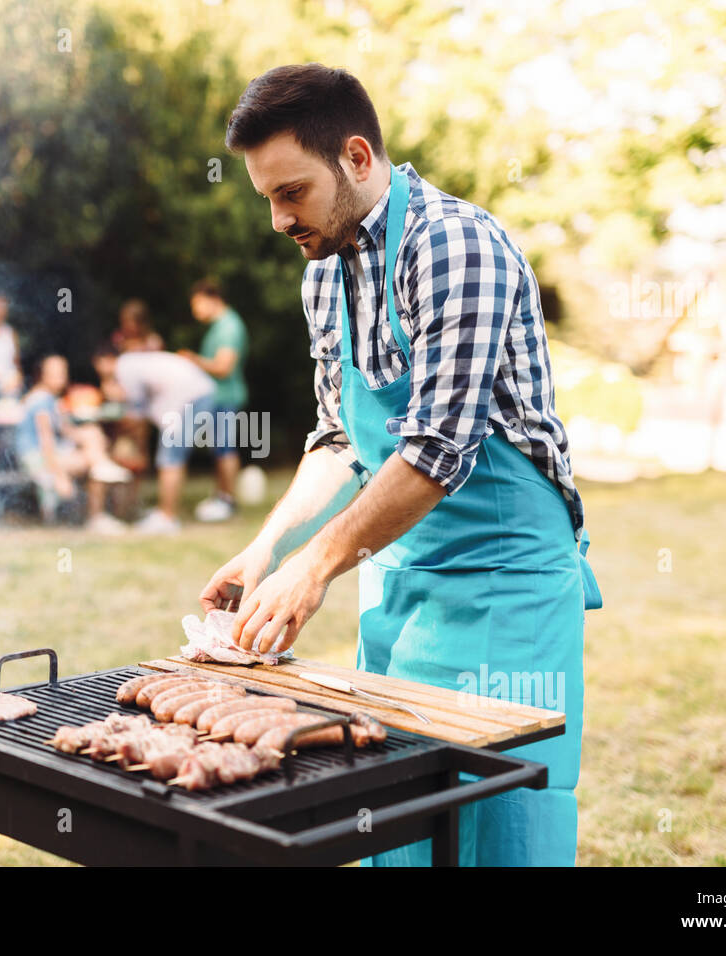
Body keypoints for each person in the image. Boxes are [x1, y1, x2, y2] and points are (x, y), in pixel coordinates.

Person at [199, 64, 604, 867]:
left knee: (498, 813)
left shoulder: (456, 248)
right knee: (394, 812)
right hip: (402, 578)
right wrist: (268, 549)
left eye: (292, 193)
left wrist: (316, 568)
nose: (279, 219)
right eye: (268, 199)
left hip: (504, 581)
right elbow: (340, 439)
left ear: (355, 157)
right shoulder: (326, 273)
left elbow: (436, 450)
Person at [92, 343, 216, 534]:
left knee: (171, 456)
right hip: (197, 392)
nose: (102, 374)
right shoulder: (134, 363)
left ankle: (166, 518)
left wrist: (115, 401)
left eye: (101, 366)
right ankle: (165, 514)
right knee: (171, 455)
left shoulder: (124, 368)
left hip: (190, 397)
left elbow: (136, 416)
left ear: (109, 359)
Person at [16, 354, 131, 533]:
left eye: (62, 373)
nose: (60, 378)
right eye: (54, 374)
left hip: (51, 453)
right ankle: (96, 516)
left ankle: (101, 465)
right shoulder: (40, 401)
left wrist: (93, 436)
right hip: (38, 458)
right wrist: (59, 475)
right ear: (41, 375)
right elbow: (45, 441)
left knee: (92, 435)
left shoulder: (49, 399)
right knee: (94, 465)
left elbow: (66, 431)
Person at [178, 278, 249, 522]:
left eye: (197, 304)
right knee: (219, 448)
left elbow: (224, 367)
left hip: (226, 396)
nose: (195, 310)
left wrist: (192, 359)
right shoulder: (219, 326)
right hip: (216, 398)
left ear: (213, 299)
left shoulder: (229, 326)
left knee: (225, 448)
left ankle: (228, 500)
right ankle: (220, 496)